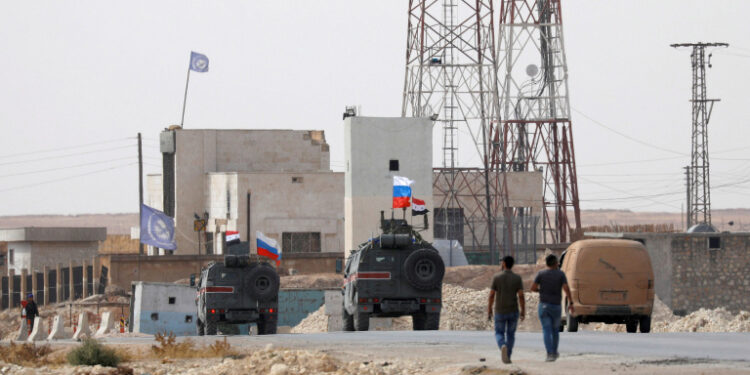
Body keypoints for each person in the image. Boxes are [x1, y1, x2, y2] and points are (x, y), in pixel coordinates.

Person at [531, 254, 573, 362]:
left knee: (546, 330)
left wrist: (541, 291)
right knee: (555, 331)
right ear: (556, 263)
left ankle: (549, 353)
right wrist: (571, 302)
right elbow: (566, 288)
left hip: (544, 306)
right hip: (555, 306)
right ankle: (554, 352)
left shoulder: (541, 274)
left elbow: (533, 288)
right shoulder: (560, 274)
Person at [487, 256, 525, 364]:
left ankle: (502, 345)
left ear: (503, 263)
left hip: (500, 310)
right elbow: (521, 296)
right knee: (511, 334)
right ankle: (507, 355)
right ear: (512, 264)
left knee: (499, 332)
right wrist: (523, 311)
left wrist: (489, 310)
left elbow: (491, 295)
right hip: (513, 311)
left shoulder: (497, 277)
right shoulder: (517, 278)